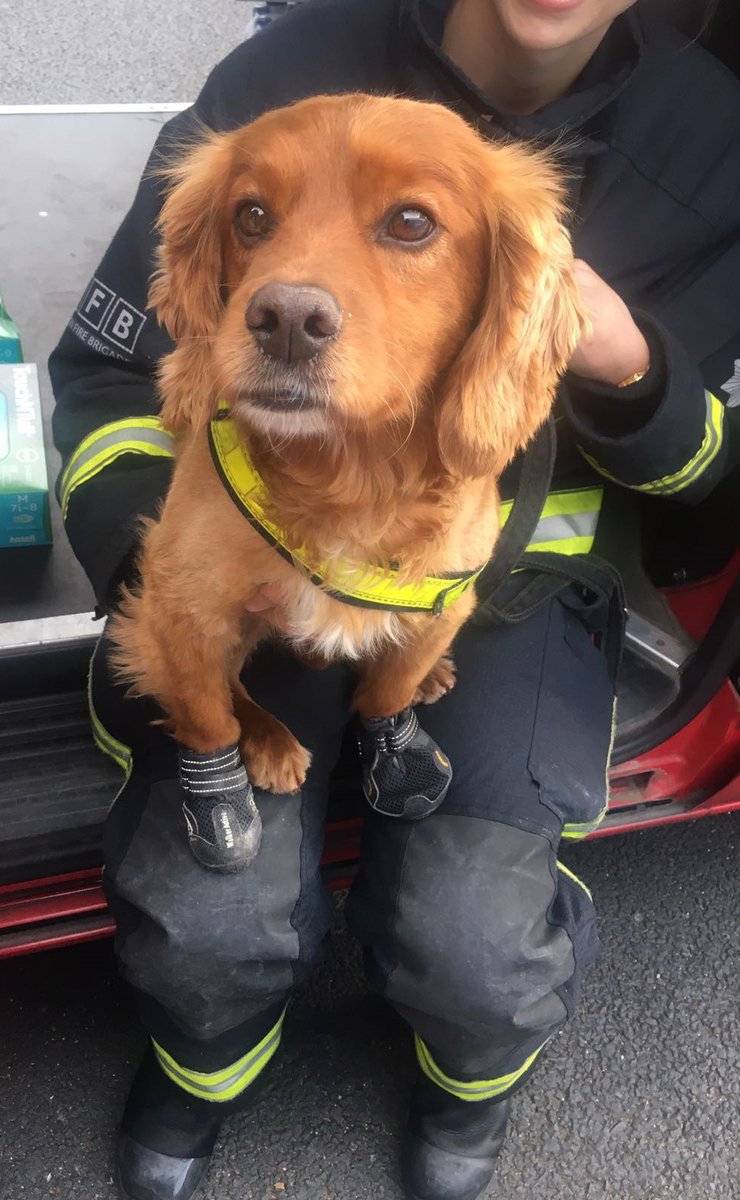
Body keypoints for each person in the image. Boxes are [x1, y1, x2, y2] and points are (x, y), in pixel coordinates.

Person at [49, 2, 740, 1197]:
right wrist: (168, 572)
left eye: (407, 224)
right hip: (250, 545)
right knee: (209, 918)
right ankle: (208, 1062)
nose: (296, 291)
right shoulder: (285, 68)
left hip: (498, 590)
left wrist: (635, 373)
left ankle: (471, 1086)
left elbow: (709, 483)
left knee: (477, 949)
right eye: (265, 224)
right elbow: (113, 374)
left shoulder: (716, 140)